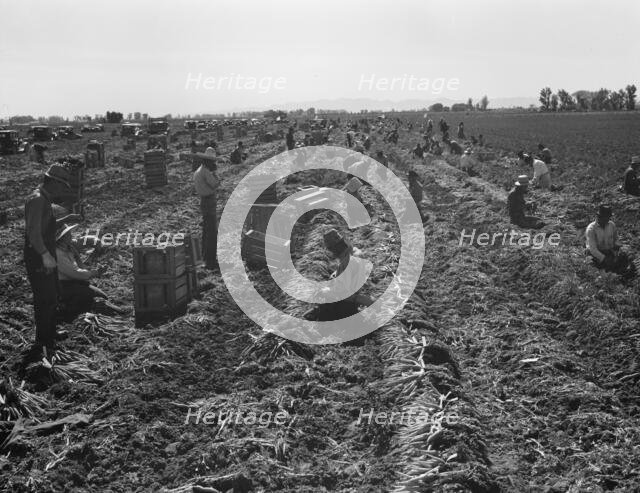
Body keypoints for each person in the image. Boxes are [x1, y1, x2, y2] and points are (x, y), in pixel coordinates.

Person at [24, 164, 80, 354]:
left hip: (45, 253)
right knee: (44, 298)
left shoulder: (44, 199)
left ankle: (50, 332)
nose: (62, 190)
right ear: (54, 182)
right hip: (38, 255)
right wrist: (45, 255)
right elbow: (33, 233)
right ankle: (43, 341)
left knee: (52, 293)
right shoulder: (38, 200)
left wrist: (67, 219)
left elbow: (47, 225)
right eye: (62, 185)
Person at [56, 224, 125, 318]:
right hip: (64, 286)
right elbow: (75, 273)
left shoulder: (68, 245)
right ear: (62, 237)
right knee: (92, 298)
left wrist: (97, 243)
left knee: (102, 296)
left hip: (74, 282)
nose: (71, 235)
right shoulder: (58, 254)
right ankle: (68, 310)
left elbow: (84, 240)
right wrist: (95, 273)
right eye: (68, 234)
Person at [306, 229, 374, 323]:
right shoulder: (354, 253)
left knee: (318, 318)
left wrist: (324, 291)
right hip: (352, 294)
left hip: (347, 303)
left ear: (334, 248)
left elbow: (344, 294)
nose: (331, 252)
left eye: (331, 249)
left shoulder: (348, 262)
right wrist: (334, 275)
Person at [585, 205, 634, 276]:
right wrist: (604, 259)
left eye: (608, 217)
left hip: (608, 252)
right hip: (595, 255)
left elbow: (616, 239)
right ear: (599, 217)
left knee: (626, 258)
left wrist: (616, 249)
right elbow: (593, 249)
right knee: (595, 271)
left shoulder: (611, 225)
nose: (608, 219)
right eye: (606, 217)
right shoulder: (591, 229)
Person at [193, 148, 219, 270]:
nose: (213, 164)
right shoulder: (206, 172)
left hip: (204, 201)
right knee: (212, 232)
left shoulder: (198, 171)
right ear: (207, 161)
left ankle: (205, 257)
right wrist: (214, 173)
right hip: (209, 201)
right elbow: (215, 184)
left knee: (206, 231)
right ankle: (211, 260)